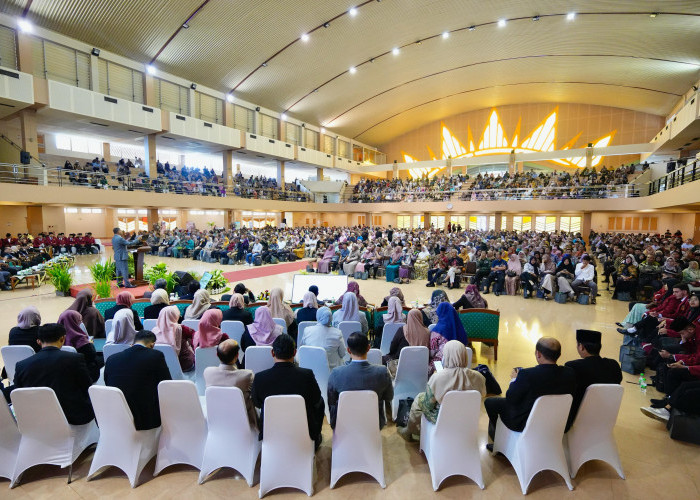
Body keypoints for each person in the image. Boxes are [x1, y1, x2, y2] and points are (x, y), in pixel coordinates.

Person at [484, 337, 576, 450]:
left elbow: (511, 399)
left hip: (526, 424)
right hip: (558, 423)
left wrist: (514, 379)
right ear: (559, 355)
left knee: (490, 402)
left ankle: (500, 443)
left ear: (538, 354)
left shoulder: (526, 374)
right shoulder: (570, 373)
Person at [399, 340, 486, 441]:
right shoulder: (479, 377)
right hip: (468, 419)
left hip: (444, 419)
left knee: (419, 398)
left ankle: (410, 431)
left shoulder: (438, 378)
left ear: (446, 357)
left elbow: (428, 405)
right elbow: (482, 395)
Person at [251, 334, 325, 448]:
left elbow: (256, 403)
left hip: (271, 433)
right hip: (302, 432)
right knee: (320, 401)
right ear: (294, 352)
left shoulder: (260, 378)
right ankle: (314, 436)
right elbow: (316, 399)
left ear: (272, 353)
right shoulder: (307, 375)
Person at [13, 323, 95, 425]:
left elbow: (18, 394)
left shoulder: (21, 365)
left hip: (37, 418)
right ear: (63, 339)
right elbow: (87, 386)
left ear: (38, 341)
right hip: (74, 418)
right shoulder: (75, 359)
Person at [104, 330, 171, 430]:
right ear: (152, 345)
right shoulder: (156, 356)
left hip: (117, 414)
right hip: (146, 418)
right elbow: (166, 384)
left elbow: (107, 383)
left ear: (133, 343)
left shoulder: (111, 359)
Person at [327, 332, 393, 429]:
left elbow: (331, 402)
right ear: (368, 348)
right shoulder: (382, 372)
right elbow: (389, 397)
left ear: (348, 350)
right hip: (374, 424)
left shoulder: (336, 373)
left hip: (344, 425)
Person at [564, 329, 622, 421]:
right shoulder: (614, 365)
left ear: (581, 347)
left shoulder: (573, 366)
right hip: (606, 417)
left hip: (578, 418)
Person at [204, 339, 257, 427]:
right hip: (244, 423)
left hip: (218, 422)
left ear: (217, 355)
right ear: (237, 356)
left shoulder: (208, 372)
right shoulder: (247, 375)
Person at [58, 309, 102, 382]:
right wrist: (90, 343)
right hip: (85, 379)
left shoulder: (56, 341)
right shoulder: (82, 342)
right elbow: (91, 356)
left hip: (65, 378)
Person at [153, 305, 195, 372]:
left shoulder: (154, 331)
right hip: (184, 365)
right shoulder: (183, 329)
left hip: (162, 366)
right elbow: (196, 337)